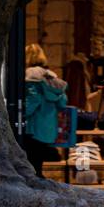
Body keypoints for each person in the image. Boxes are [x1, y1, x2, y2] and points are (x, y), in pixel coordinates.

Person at [23, 44, 67, 177]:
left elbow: (33, 99)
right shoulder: (51, 77)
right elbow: (62, 102)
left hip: (33, 126)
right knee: (38, 165)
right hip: (48, 126)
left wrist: (21, 113)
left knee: (30, 164)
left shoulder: (30, 75)